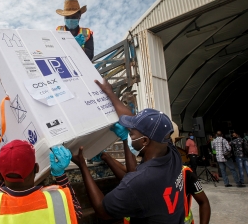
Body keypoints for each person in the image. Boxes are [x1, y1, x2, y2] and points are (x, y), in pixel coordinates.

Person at [71, 79, 211, 223]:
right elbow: (133, 121)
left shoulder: (140, 181)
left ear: (145, 141)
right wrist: (110, 94)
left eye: (132, 133)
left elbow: (102, 210)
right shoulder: (172, 154)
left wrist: (82, 165)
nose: (129, 134)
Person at [0, 140, 81, 223]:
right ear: (37, 168)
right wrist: (60, 174)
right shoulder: (57, 199)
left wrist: (6, 169)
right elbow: (76, 213)